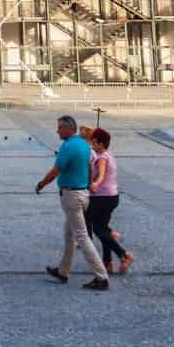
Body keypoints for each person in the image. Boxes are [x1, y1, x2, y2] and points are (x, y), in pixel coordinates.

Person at [34, 114, 110, 290]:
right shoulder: (84, 145)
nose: (57, 130)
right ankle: (63, 271)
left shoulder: (68, 147)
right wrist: (89, 185)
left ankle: (101, 277)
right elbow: (90, 167)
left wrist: (41, 184)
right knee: (69, 236)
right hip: (82, 195)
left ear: (69, 129)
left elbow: (55, 172)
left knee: (82, 237)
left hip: (72, 197)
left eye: (60, 127)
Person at [86, 127, 135, 274]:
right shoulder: (109, 155)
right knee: (103, 229)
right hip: (112, 197)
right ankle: (107, 262)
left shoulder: (101, 159)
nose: (91, 145)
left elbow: (101, 174)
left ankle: (124, 255)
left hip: (102, 198)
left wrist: (95, 183)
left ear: (101, 144)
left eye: (94, 143)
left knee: (98, 229)